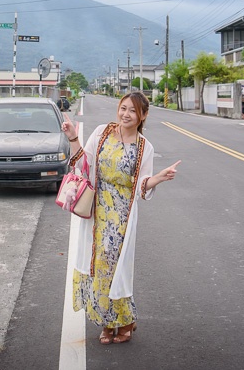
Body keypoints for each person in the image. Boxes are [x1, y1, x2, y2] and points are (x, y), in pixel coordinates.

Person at [60, 91, 180, 345]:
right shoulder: (103, 132)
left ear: (143, 116)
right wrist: (72, 137)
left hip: (122, 216)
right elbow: (84, 165)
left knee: (111, 266)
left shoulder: (144, 147)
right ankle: (115, 321)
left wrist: (158, 178)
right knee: (98, 264)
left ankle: (116, 321)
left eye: (133, 111)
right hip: (96, 210)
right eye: (123, 108)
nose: (126, 114)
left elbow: (141, 186)